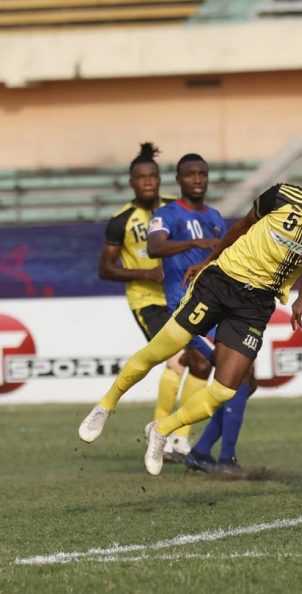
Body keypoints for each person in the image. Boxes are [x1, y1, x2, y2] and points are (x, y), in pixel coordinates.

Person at [90, 171, 302, 475]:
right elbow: (242, 226)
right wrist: (207, 261)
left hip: (255, 305)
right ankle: (106, 404)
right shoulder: (281, 196)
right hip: (222, 281)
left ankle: (163, 429)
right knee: (160, 351)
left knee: (225, 389)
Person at [148, 154, 254, 474]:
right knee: (239, 377)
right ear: (179, 180)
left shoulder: (216, 217)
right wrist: (194, 242)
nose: (198, 179)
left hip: (218, 305)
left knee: (246, 378)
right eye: (191, 174)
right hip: (186, 309)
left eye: (203, 174)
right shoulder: (165, 214)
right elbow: (154, 248)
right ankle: (221, 456)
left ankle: (203, 449)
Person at [87, 143, 180, 444]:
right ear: (132, 182)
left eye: (152, 176)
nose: (148, 181)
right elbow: (106, 269)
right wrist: (147, 274)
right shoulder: (122, 220)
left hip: (181, 296)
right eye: (142, 177)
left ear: (159, 178)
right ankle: (166, 432)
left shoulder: (174, 209)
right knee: (178, 358)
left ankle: (168, 433)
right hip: (147, 301)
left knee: (195, 361)